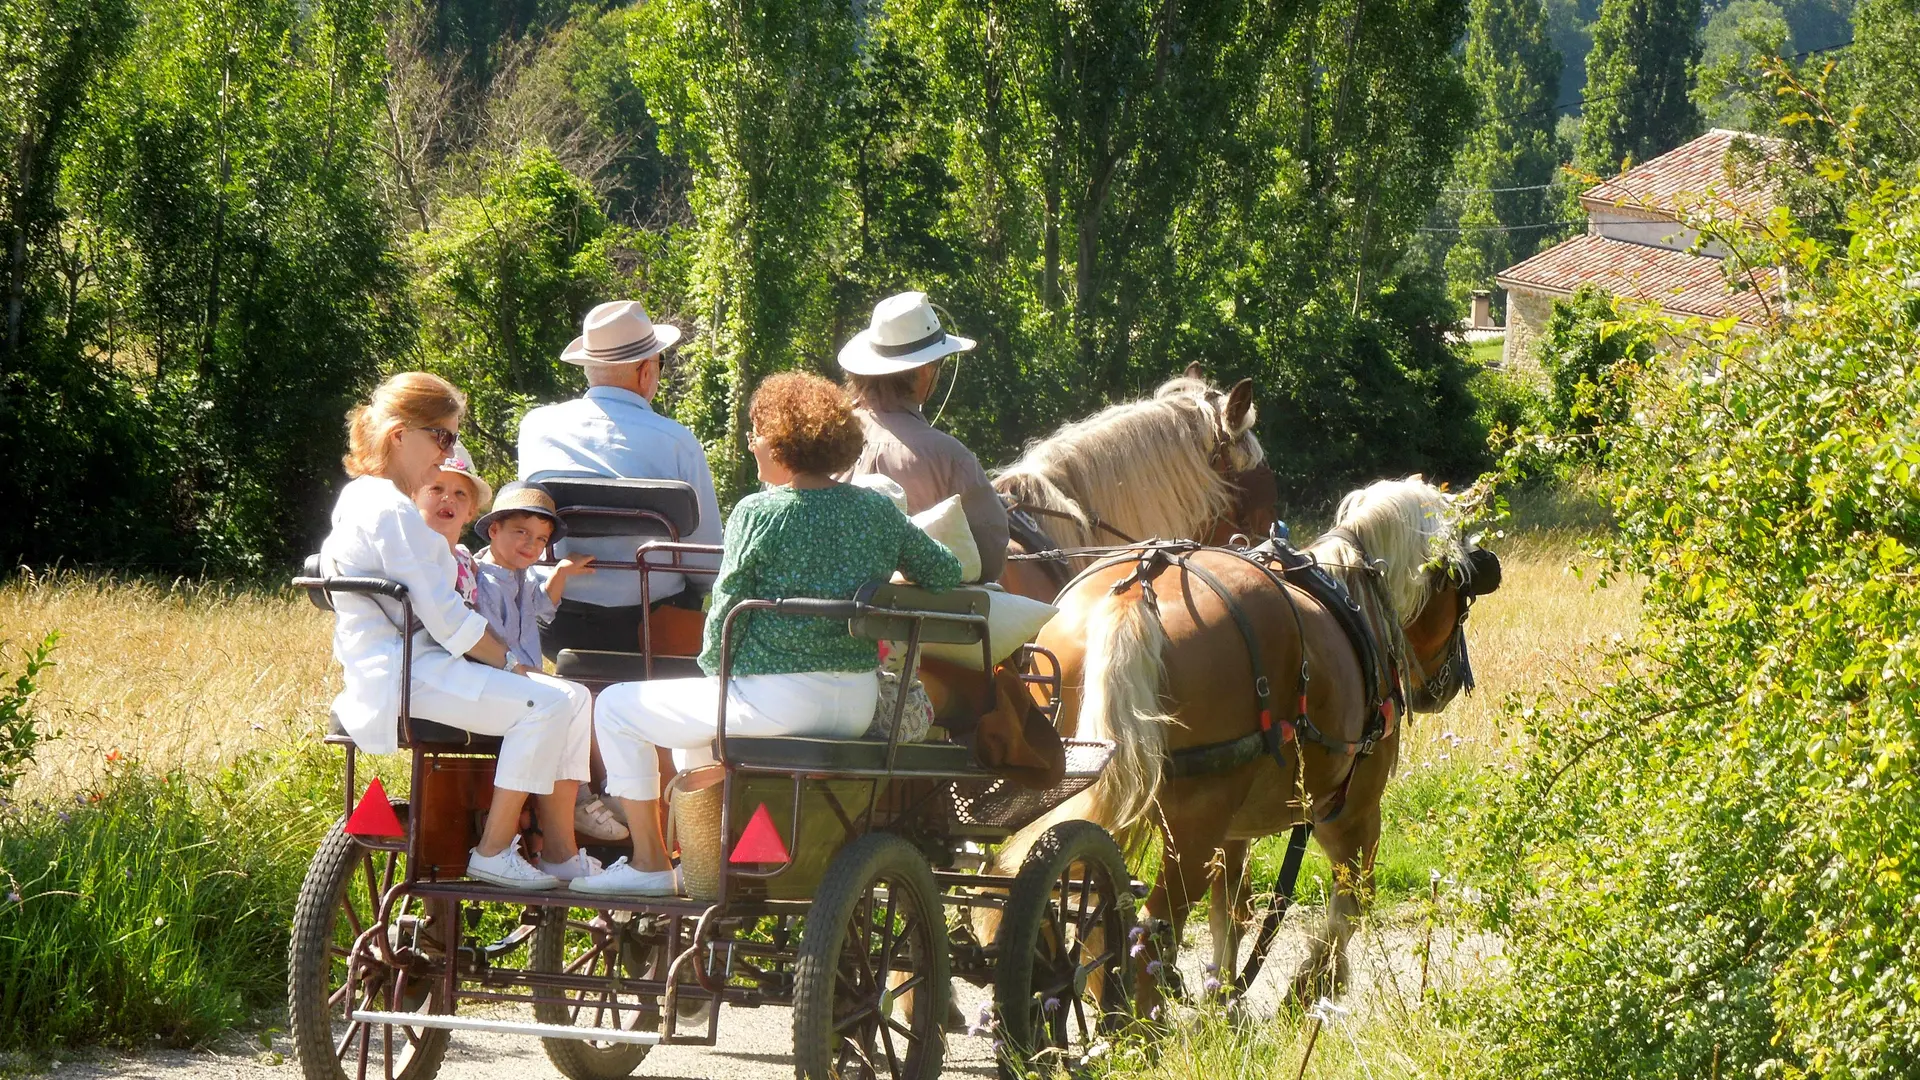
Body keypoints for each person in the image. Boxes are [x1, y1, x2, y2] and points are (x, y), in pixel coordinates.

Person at [577, 372, 963, 897]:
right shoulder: (877, 510)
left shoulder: (759, 512)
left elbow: (725, 610)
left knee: (617, 708)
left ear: (782, 441)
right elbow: (944, 571)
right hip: (855, 703)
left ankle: (650, 861)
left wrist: (714, 673)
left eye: (755, 431)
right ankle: (706, 866)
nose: (751, 443)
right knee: (697, 735)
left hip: (775, 703)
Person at [321, 372, 600, 889]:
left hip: (409, 664)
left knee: (571, 696)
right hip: (406, 672)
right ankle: (494, 851)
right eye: (443, 436)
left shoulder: (364, 499)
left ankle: (561, 852)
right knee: (550, 703)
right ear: (401, 434)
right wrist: (513, 663)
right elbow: (449, 618)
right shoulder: (391, 510)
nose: (448, 450)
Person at [518, 300, 723, 658]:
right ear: (646, 372)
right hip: (653, 625)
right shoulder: (678, 442)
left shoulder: (535, 428)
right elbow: (706, 564)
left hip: (557, 621)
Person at [471, 481, 627, 845]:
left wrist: (559, 574)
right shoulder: (482, 580)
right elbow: (485, 641)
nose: (531, 545)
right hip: (498, 677)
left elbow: (542, 606)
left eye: (541, 540)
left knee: (579, 695)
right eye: (521, 533)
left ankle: (601, 789)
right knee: (574, 697)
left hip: (523, 678)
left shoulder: (521, 575)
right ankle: (582, 800)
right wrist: (522, 671)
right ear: (494, 529)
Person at [837, 290, 1009, 582]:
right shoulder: (950, 458)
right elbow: (989, 561)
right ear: (926, 371)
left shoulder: (819, 437)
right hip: (912, 624)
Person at [411, 443, 491, 603]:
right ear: (414, 498)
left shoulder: (465, 560)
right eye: (436, 489)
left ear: (471, 511)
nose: (448, 498)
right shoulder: (411, 555)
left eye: (460, 493)